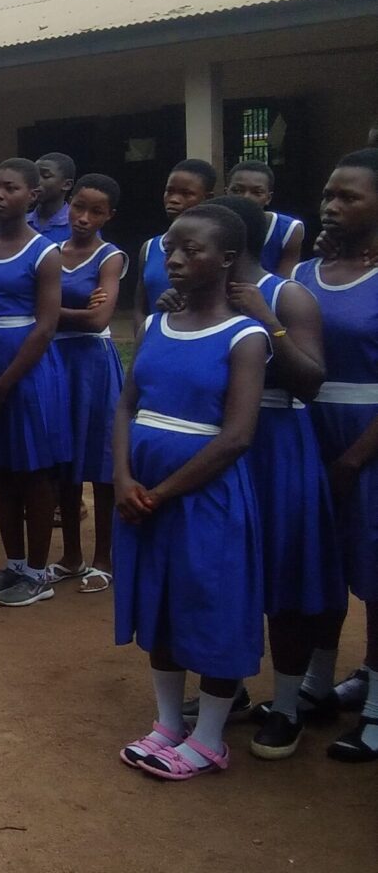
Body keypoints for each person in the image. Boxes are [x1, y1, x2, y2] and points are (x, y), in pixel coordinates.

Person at [113, 203, 267, 781]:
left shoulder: (244, 335)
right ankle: (167, 724)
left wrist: (161, 492)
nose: (174, 260)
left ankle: (208, 740)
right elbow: (127, 404)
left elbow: (236, 437)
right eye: (170, 249)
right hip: (143, 494)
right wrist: (125, 479)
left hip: (205, 497)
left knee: (212, 605)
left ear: (226, 259)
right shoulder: (155, 324)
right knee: (160, 604)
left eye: (192, 250)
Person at [180, 195, 332, 760]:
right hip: (216, 446)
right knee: (223, 576)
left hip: (276, 449)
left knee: (286, 581)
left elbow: (311, 381)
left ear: (232, 244)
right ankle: (230, 688)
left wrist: (270, 326)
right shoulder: (198, 297)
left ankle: (288, 706)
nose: (175, 254)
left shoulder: (285, 294)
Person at [289, 148, 378, 762]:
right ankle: (316, 686)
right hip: (307, 434)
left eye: (349, 196)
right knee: (318, 566)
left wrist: (352, 460)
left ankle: (377, 708)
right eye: (328, 194)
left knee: (376, 577)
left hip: (368, 439)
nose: (332, 205)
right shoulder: (301, 277)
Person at [0, 159, 70, 609]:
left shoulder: (44, 252)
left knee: (33, 474)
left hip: (26, 375)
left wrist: (3, 385)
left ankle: (37, 571)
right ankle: (12, 562)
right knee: (0, 471)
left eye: (9, 188)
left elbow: (45, 327)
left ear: (32, 196)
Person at [47, 175, 127, 594]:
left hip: (92, 365)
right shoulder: (49, 252)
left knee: (100, 462)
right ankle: (71, 556)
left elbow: (100, 319)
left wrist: (48, 309)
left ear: (109, 215)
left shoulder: (110, 257)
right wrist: (68, 310)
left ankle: (103, 557)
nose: (83, 217)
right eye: (79, 206)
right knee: (65, 460)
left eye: (96, 211)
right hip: (56, 360)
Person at [135, 158, 217, 328]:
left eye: (186, 194)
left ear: (207, 198)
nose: (174, 199)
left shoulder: (217, 248)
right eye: (169, 191)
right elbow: (140, 309)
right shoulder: (150, 248)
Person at [227, 160, 306, 276]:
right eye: (237, 191)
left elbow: (282, 284)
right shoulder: (211, 225)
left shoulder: (287, 230)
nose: (246, 197)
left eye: (257, 192)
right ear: (226, 192)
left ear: (268, 198)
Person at [29, 152, 77, 244]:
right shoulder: (20, 222)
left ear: (67, 185)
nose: (36, 181)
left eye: (45, 176)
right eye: (34, 175)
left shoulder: (78, 227)